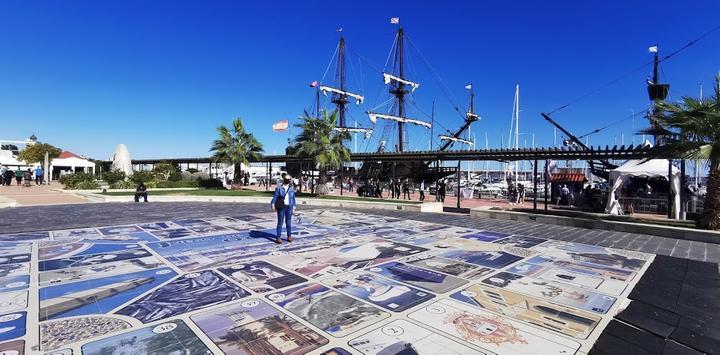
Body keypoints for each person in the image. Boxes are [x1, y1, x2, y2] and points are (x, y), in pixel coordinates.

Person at [271, 173, 296, 244]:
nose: (288, 180)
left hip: (289, 207)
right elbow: (275, 196)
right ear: (284, 180)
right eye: (287, 179)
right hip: (282, 206)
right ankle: (278, 237)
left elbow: (293, 198)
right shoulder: (279, 188)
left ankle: (289, 236)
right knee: (280, 222)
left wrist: (294, 206)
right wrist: (273, 204)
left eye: (289, 179)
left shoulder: (291, 188)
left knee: (288, 222)